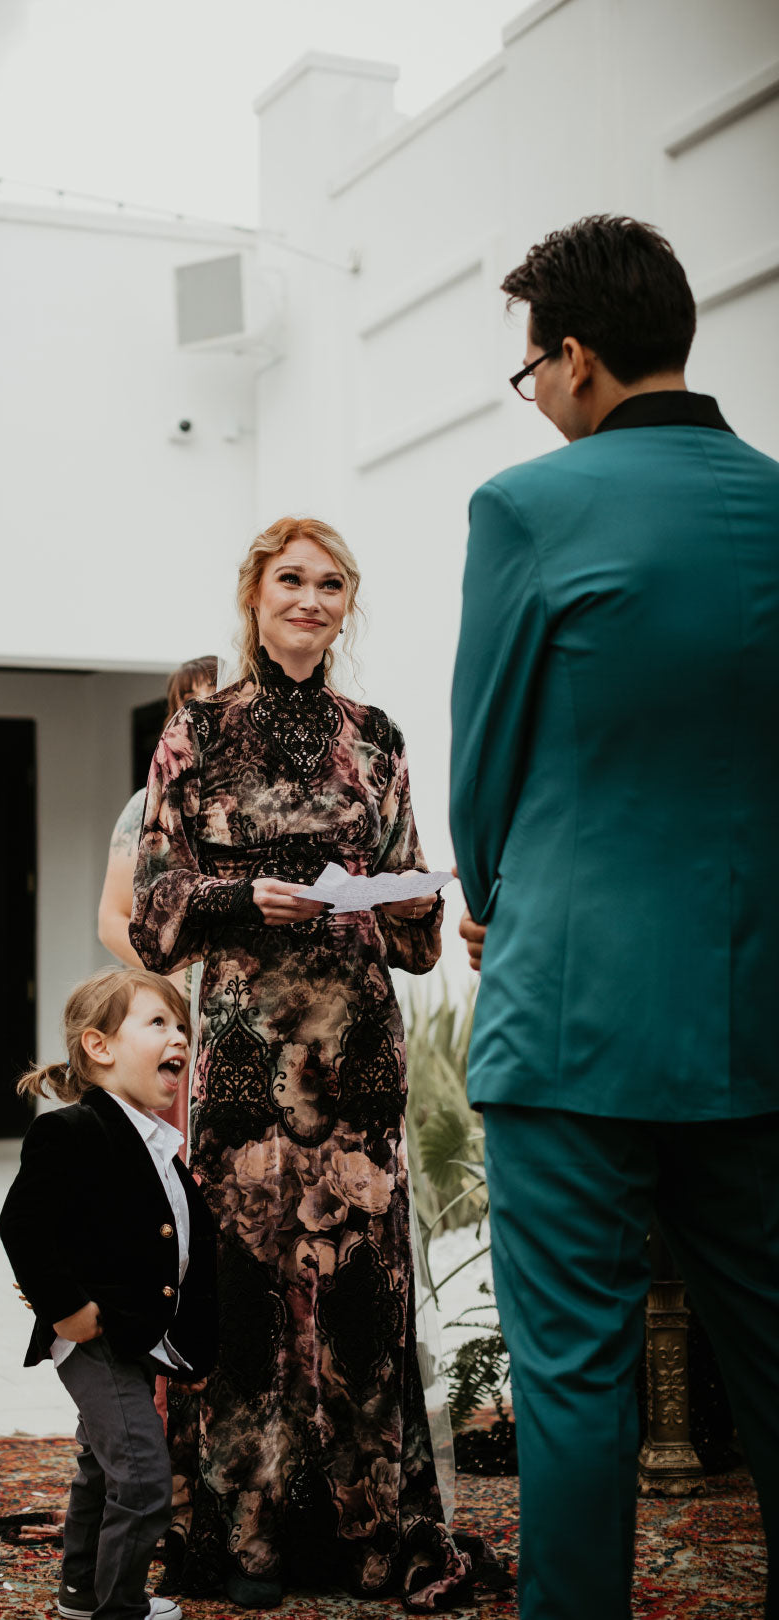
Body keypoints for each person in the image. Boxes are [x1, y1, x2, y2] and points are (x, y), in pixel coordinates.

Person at [449, 215, 779, 1620]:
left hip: (574, 1013)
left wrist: (496, 905)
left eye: (531, 371)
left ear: (573, 359)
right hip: (757, 1014)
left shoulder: (530, 507)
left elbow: (482, 768)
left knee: (578, 1383)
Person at [130, 517, 505, 1613]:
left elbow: (414, 931)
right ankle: (246, 1543)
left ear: (348, 605)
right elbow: (155, 909)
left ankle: (368, 1537)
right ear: (255, 595)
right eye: (290, 579)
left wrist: (415, 900)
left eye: (331, 583)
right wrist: (245, 896)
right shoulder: (195, 733)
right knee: (244, 1300)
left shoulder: (376, 734)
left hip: (357, 1058)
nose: (311, 598)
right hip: (249, 1060)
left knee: (358, 1304)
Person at [0, 967, 218, 1620]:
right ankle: (117, 1606)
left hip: (136, 1335)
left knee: (101, 1461)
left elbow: (181, 1250)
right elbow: (23, 1225)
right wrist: (66, 1307)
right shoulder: (71, 1132)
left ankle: (81, 1592)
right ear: (100, 1047)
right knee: (143, 1479)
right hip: (95, 1338)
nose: (179, 1035)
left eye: (182, 1026)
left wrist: (192, 1352)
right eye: (157, 1023)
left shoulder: (161, 1148)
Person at [98, 655, 218, 1140]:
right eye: (190, 701)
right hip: (187, 1015)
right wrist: (179, 988)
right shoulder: (149, 804)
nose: (206, 708)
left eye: (218, 691)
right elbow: (111, 919)